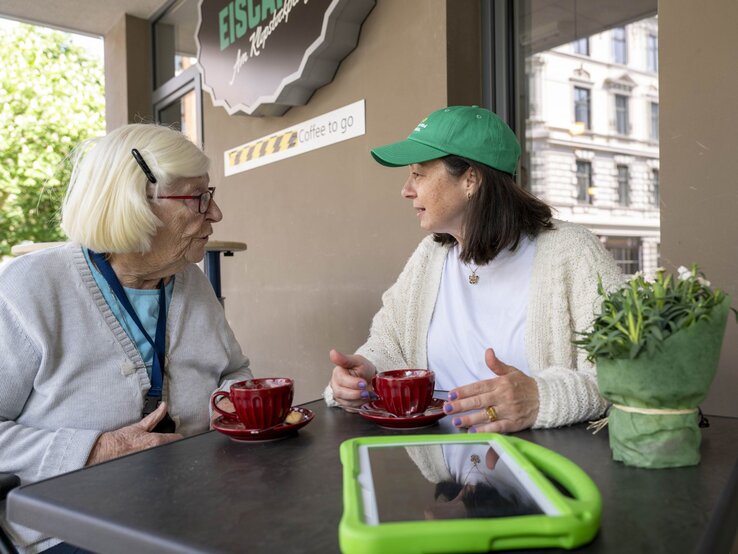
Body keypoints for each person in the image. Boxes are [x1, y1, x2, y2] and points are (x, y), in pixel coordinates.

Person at [0, 124, 252, 552]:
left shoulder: (190, 281)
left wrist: (234, 404)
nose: (215, 214)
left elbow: (232, 370)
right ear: (135, 203)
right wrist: (96, 449)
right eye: (198, 198)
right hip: (72, 528)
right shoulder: (31, 288)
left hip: (193, 507)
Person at [325, 105, 622, 433]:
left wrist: (542, 397)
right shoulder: (430, 256)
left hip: (542, 470)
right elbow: (389, 341)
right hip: (448, 473)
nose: (406, 189)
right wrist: (366, 371)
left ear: (470, 179)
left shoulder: (573, 253)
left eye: (418, 174)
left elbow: (626, 373)